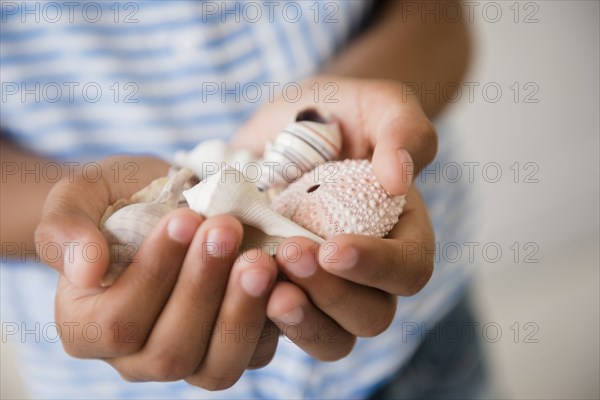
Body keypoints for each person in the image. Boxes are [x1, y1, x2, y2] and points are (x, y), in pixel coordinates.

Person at [1, 1, 477, 398]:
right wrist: (65, 208)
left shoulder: (245, 186)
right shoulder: (226, 188)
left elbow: (436, 16)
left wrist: (371, 107)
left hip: (418, 339)